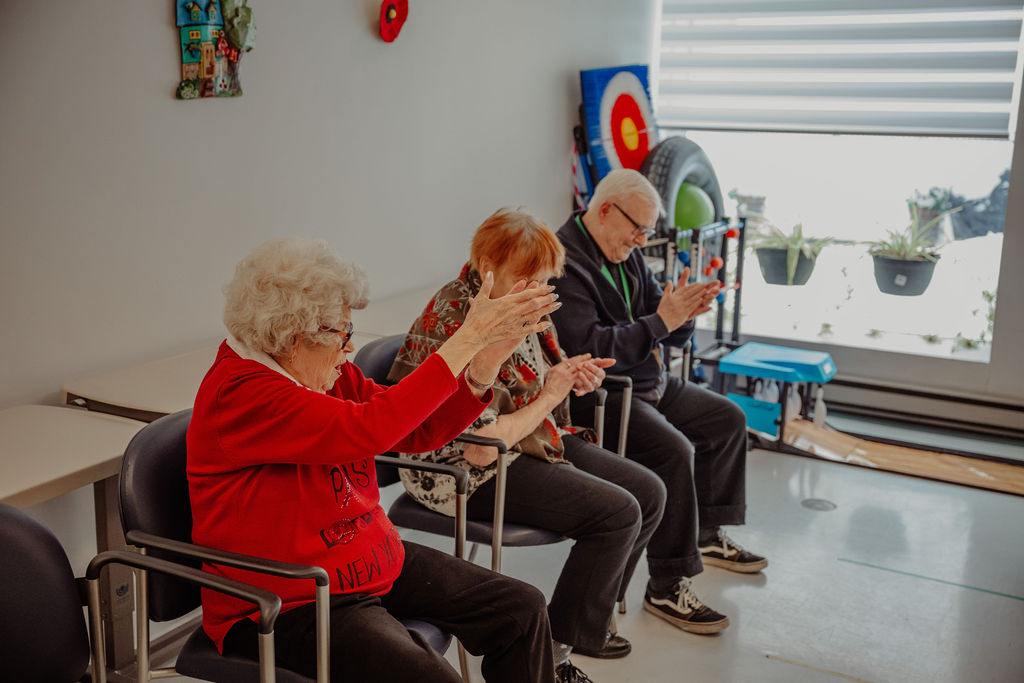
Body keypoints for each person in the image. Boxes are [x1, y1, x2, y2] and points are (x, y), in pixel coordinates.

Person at [187, 236, 563, 683]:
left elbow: (414, 430)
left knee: (520, 609)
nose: (349, 348)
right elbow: (372, 428)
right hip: (288, 601)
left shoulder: (326, 372)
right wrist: (467, 338)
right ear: (291, 336)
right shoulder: (243, 393)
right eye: (340, 333)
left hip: (367, 562)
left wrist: (483, 362)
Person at [388, 209, 667, 681]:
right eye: (528, 279)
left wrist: (569, 376)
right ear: (486, 266)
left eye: (544, 281)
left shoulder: (520, 303)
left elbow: (533, 383)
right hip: (460, 470)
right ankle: (556, 653)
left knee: (650, 493)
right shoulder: (458, 321)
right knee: (618, 513)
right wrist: (552, 395)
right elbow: (481, 447)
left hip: (526, 438)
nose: (538, 291)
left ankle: (585, 618)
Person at [549, 169, 768, 635]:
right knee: (673, 451)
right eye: (638, 229)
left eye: (648, 232)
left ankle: (706, 534)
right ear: (605, 211)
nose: (642, 241)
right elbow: (590, 348)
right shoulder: (562, 263)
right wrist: (662, 322)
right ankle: (667, 584)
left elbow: (659, 316)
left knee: (727, 419)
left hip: (648, 382)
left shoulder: (624, 253)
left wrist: (683, 313)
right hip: (605, 394)